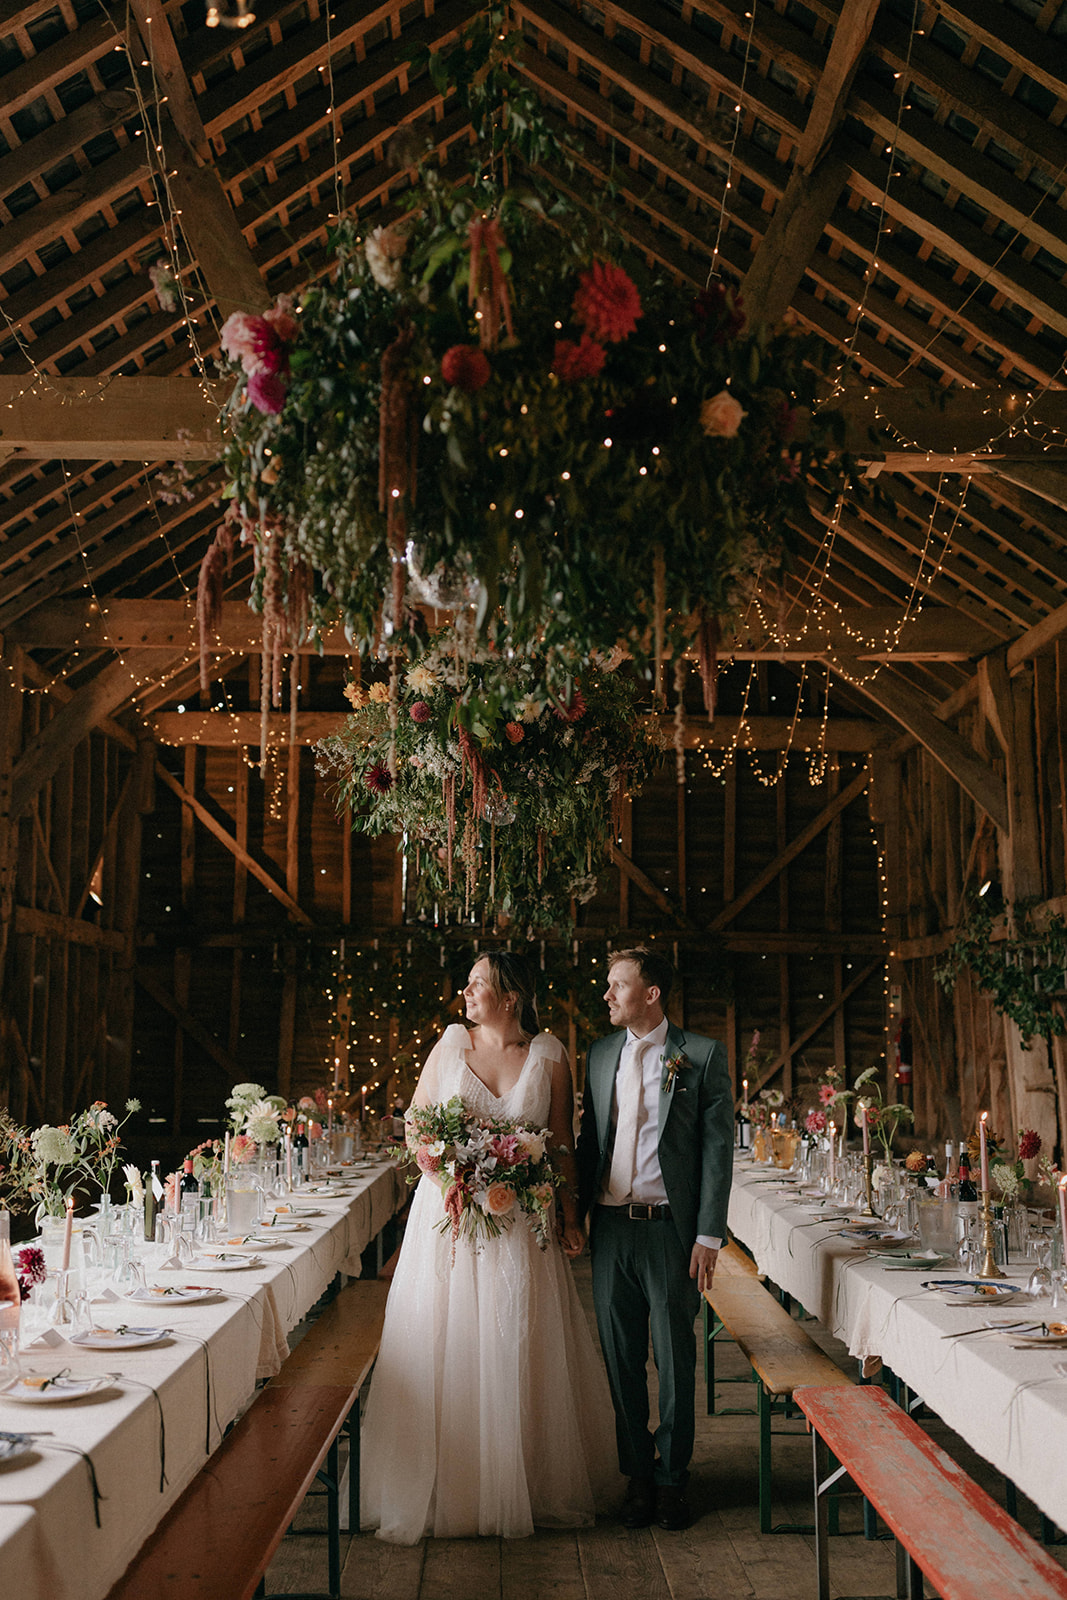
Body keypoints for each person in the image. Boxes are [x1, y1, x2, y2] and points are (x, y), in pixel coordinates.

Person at [361, 950, 618, 1544]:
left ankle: (521, 1481)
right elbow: (417, 1126)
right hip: (450, 1219)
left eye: (479, 984)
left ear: (510, 996)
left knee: (517, 1337)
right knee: (446, 1337)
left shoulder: (550, 1054)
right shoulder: (451, 1044)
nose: (467, 993)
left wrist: (571, 1214)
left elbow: (558, 1145)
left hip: (522, 1226)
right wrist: (452, 1171)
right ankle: (448, 1486)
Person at [577, 945, 733, 1532]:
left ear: (651, 993)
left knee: (674, 1359)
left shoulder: (699, 1055)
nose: (608, 995)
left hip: (672, 1232)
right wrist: (575, 1216)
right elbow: (590, 1142)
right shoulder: (598, 1055)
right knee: (620, 1361)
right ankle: (637, 1477)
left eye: (618, 985)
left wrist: (708, 1236)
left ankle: (673, 1479)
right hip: (612, 1230)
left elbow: (718, 1151)